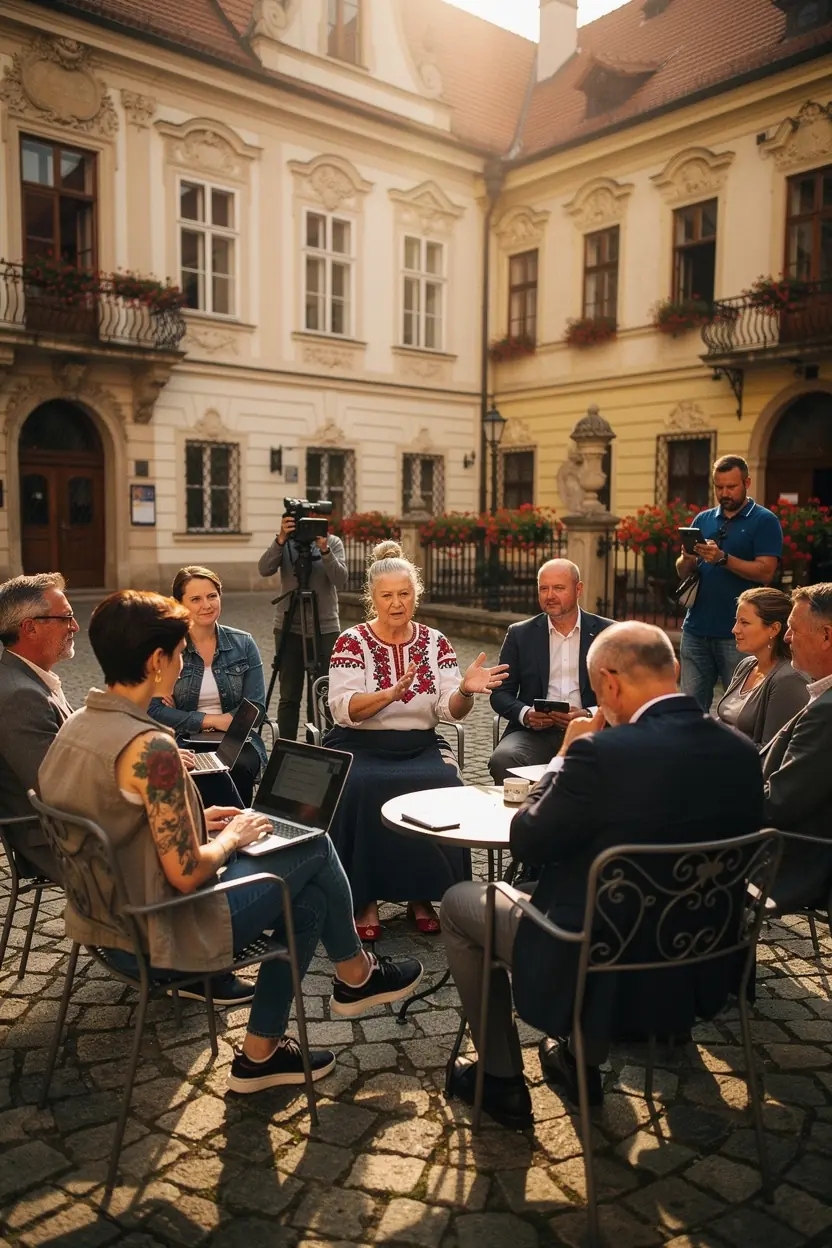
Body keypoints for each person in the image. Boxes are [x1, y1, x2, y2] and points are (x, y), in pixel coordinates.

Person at [37, 590, 423, 1093]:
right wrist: (234, 835)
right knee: (307, 843)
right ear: (156, 661)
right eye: (178, 654)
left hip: (106, 921)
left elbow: (121, 822)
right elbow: (187, 872)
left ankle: (261, 1054)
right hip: (161, 935)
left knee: (304, 904)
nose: (181, 665)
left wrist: (197, 816)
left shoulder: (76, 725)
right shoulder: (152, 749)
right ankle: (356, 972)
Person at [442, 622, 764, 1127]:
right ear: (675, 671)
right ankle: (577, 1060)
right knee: (576, 891)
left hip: (599, 957)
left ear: (609, 686)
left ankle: (500, 1080)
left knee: (462, 902)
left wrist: (566, 756)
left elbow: (528, 838)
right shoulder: (742, 752)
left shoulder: (599, 755)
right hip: (701, 951)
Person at [326, 540, 507, 941]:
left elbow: (448, 710)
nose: (396, 603)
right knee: (360, 785)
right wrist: (389, 695)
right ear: (372, 598)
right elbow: (343, 708)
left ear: (416, 595)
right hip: (359, 744)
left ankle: (421, 897)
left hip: (420, 744)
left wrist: (464, 690)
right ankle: (364, 898)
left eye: (404, 594)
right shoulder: (352, 641)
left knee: (445, 784)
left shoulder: (435, 642)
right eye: (387, 595)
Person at [488, 559, 613, 784]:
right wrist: (526, 714)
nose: (549, 595)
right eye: (543, 589)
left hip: (594, 729)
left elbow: (624, 692)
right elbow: (500, 694)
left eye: (558, 588)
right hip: (534, 733)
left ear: (578, 589)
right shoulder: (520, 634)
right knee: (503, 759)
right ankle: (526, 817)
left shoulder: (608, 633)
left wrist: (588, 713)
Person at [149, 566, 266, 806]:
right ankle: (203, 830)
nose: (207, 605)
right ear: (179, 603)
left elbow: (256, 708)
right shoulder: (169, 648)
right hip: (183, 738)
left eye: (212, 596)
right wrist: (209, 720)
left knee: (239, 766)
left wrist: (227, 722)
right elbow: (154, 710)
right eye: (196, 599)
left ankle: (237, 828)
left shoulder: (243, 644)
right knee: (194, 772)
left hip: (236, 739)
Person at [676, 455, 783, 712]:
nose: (724, 493)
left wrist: (723, 559)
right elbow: (682, 571)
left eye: (731, 487)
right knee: (689, 710)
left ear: (747, 482)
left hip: (739, 635)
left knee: (740, 711)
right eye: (718, 487)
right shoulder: (703, 520)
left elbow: (766, 572)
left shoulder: (764, 520)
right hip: (696, 629)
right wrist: (687, 558)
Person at [0, 573, 78, 880]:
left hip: (66, 828)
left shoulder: (29, 677)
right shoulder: (20, 694)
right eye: (66, 617)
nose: (75, 627)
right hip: (57, 844)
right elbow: (60, 788)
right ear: (29, 628)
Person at [761, 583, 832, 911]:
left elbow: (777, 804)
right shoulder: (821, 700)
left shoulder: (826, 712)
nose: (786, 638)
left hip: (794, 859)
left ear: (826, 636)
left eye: (792, 628)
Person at [258, 512, 348, 741]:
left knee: (321, 692)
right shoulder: (286, 545)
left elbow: (341, 579)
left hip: (324, 626)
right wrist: (280, 540)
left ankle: (320, 745)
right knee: (289, 695)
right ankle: (285, 748)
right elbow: (264, 568)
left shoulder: (333, 542)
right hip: (289, 626)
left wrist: (325, 551)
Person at [717, 587, 808, 745]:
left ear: (774, 628)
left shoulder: (787, 680)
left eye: (744, 623)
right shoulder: (746, 665)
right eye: (736, 621)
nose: (734, 629)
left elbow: (771, 752)